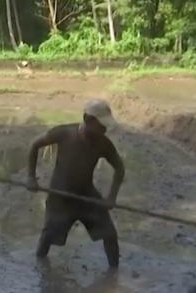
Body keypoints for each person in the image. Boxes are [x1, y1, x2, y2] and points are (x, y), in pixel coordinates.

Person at [26, 99, 126, 269]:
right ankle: (40, 267)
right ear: (87, 119)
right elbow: (34, 145)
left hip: (87, 197)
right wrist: (31, 178)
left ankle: (114, 274)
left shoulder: (103, 144)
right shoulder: (64, 133)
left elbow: (120, 168)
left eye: (105, 126)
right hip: (60, 197)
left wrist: (112, 197)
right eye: (101, 125)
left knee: (110, 235)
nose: (104, 129)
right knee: (48, 236)